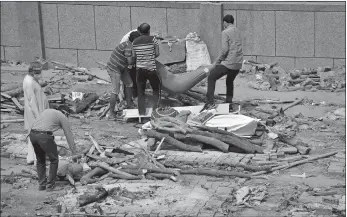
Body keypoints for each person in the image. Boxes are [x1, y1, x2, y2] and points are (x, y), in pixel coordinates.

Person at [201, 14, 243, 112]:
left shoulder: (225, 32)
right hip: (238, 63)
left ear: (225, 22)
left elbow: (224, 50)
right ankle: (229, 102)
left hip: (230, 62)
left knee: (211, 77)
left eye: (223, 23)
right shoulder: (238, 31)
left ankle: (210, 102)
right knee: (229, 80)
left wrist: (217, 62)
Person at [29, 108, 77, 191]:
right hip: (44, 136)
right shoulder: (62, 116)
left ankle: (42, 185)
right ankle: (50, 186)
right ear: (66, 113)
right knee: (54, 160)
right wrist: (74, 153)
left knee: (40, 160)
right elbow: (68, 134)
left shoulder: (47, 111)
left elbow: (44, 126)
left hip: (33, 135)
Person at [107, 31, 141, 119]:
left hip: (122, 67)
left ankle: (129, 104)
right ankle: (111, 113)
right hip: (114, 68)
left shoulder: (129, 44)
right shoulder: (128, 47)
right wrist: (137, 58)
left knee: (129, 84)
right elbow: (130, 62)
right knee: (115, 91)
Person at [23, 61, 50, 165]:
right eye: (39, 72)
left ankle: (31, 157)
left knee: (32, 135)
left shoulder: (31, 80)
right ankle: (37, 160)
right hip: (35, 113)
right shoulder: (29, 82)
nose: (41, 74)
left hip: (36, 112)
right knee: (38, 136)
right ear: (33, 72)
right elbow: (32, 102)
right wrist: (38, 117)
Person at [132, 23, 161, 115]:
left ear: (140, 31)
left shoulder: (134, 42)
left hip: (140, 70)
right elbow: (157, 54)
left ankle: (141, 113)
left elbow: (134, 56)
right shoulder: (153, 39)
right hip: (151, 69)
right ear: (149, 31)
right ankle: (155, 111)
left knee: (140, 91)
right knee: (156, 89)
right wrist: (150, 56)